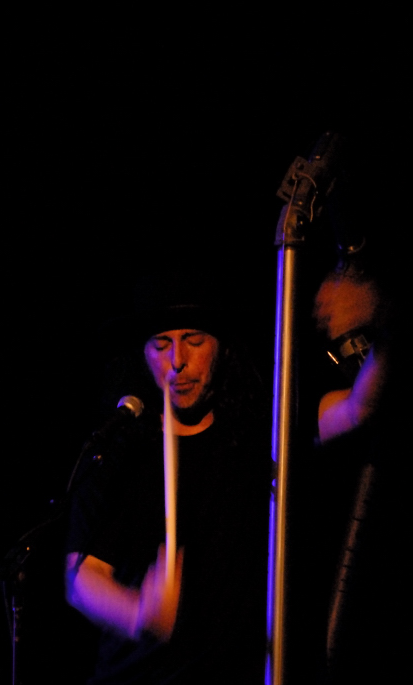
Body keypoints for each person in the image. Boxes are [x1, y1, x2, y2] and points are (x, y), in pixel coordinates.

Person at [63, 279, 272, 683]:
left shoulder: (258, 437)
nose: (177, 361)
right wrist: (139, 613)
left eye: (194, 341)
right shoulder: (119, 452)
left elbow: (356, 408)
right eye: (161, 344)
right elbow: (81, 578)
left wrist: (386, 321)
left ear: (222, 347)